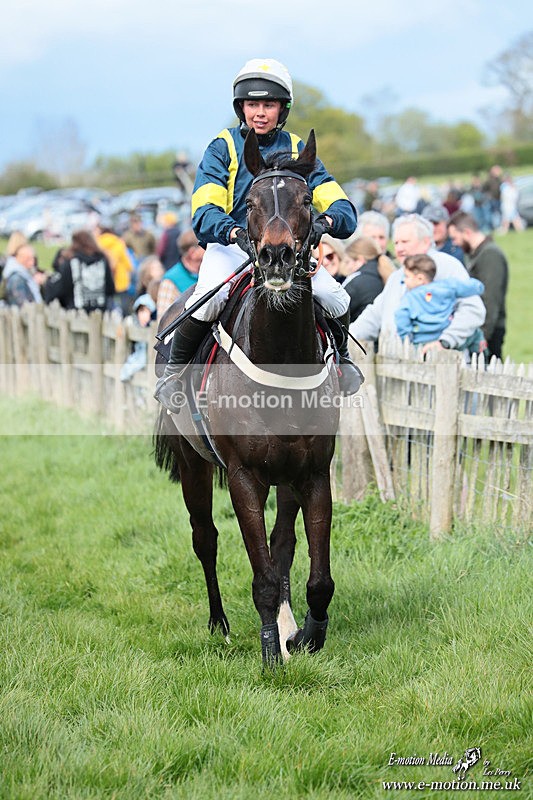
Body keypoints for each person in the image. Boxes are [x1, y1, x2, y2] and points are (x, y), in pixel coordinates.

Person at [155, 58, 360, 411]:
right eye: (252, 104)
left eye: (268, 104)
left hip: (289, 253)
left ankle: (341, 363)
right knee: (207, 300)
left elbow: (342, 208)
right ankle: (174, 375)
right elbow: (204, 212)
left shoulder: (299, 149)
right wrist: (234, 233)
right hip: (233, 246)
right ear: (241, 107)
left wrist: (324, 224)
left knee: (337, 298)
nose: (260, 113)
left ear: (283, 108)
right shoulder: (223, 147)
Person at [349, 214, 486, 353]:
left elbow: (473, 309)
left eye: (405, 241)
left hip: (441, 363)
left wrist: (444, 342)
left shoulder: (446, 266)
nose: (399, 248)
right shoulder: (397, 277)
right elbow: (374, 315)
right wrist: (347, 339)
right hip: (398, 363)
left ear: (426, 242)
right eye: (396, 243)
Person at [447, 211, 508, 360]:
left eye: (455, 238)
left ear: (467, 232)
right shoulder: (476, 254)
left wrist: (482, 337)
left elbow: (490, 299)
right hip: (477, 329)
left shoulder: (490, 255)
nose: (454, 243)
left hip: (488, 332)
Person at [394, 253, 485, 352]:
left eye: (407, 276)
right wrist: (479, 287)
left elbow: (401, 318)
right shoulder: (447, 286)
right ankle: (481, 353)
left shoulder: (409, 298)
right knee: (476, 333)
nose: (404, 280)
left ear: (420, 279)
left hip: (421, 342)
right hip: (444, 337)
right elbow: (471, 287)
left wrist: (406, 338)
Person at [44, 230, 115, 313]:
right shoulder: (102, 261)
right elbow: (110, 288)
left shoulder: (70, 263)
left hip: (76, 313)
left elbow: (59, 288)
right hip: (101, 311)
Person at [342, 237, 396, 323]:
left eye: (348, 262)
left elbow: (339, 310)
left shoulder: (357, 282)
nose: (347, 267)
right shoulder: (385, 276)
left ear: (360, 260)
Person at [156, 228, 204, 319]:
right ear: (192, 253)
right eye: (204, 245)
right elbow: (164, 321)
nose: (208, 248)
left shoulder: (209, 272)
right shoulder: (170, 280)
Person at [94, 220, 135, 315]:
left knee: (108, 306)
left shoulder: (97, 244)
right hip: (121, 279)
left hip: (105, 280)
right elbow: (128, 264)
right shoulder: (118, 243)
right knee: (124, 306)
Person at [120, 293, 156, 383]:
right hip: (135, 367)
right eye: (142, 311)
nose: (145, 316)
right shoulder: (132, 324)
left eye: (148, 311)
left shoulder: (154, 328)